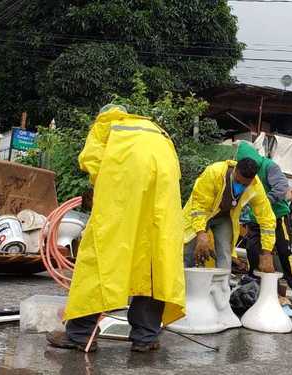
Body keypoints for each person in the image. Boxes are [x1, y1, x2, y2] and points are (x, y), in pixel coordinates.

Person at [47, 104, 185, 353]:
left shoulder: (106, 124)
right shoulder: (158, 131)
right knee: (155, 261)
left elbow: (91, 162)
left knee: (101, 256)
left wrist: (99, 192)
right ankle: (146, 337)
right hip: (163, 201)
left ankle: (80, 335)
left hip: (124, 194)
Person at [235, 142, 292, 304]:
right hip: (256, 219)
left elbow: (281, 187)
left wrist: (265, 203)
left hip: (277, 216)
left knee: (283, 253)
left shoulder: (269, 166)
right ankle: (255, 289)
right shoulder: (241, 171)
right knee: (253, 252)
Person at [183, 158, 276, 275]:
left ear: (251, 180)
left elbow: (267, 218)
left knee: (225, 252)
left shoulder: (255, 186)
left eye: (244, 185)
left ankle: (222, 288)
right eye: (238, 181)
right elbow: (199, 206)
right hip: (201, 213)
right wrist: (201, 233)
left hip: (224, 217)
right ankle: (182, 286)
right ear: (235, 171)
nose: (240, 186)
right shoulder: (214, 172)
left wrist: (267, 252)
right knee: (188, 251)